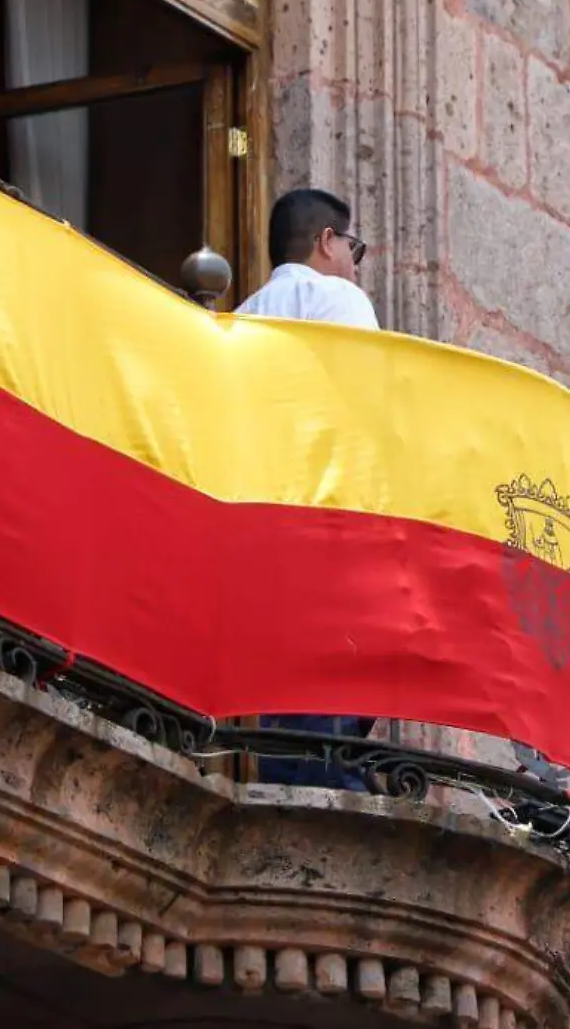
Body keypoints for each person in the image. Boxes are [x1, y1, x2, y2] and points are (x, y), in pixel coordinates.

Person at [239, 189, 378, 789]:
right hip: (322, 516)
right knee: (325, 700)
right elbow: (366, 408)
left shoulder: (242, 314)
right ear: (327, 241)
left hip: (256, 520)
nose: (354, 263)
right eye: (355, 249)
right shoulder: (336, 296)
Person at [235, 188, 379, 330]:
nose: (356, 268)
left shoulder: (240, 315)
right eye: (352, 246)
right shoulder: (340, 296)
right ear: (327, 240)